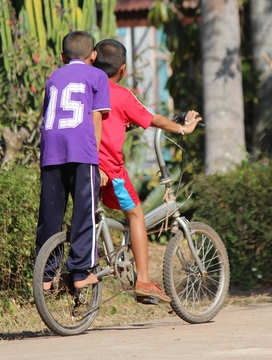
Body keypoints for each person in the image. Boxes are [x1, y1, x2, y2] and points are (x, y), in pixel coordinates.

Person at [94, 39, 202, 303]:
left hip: (83, 165)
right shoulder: (120, 94)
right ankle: (143, 280)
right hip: (110, 169)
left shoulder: (88, 89)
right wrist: (183, 129)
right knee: (136, 215)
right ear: (123, 69)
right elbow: (151, 117)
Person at [36, 30, 111, 290]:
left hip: (51, 151)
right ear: (93, 55)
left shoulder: (53, 77)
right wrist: (97, 161)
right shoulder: (98, 76)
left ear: (61, 56)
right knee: (84, 211)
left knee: (50, 213)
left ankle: (45, 276)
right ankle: (80, 272)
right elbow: (96, 119)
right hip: (81, 150)